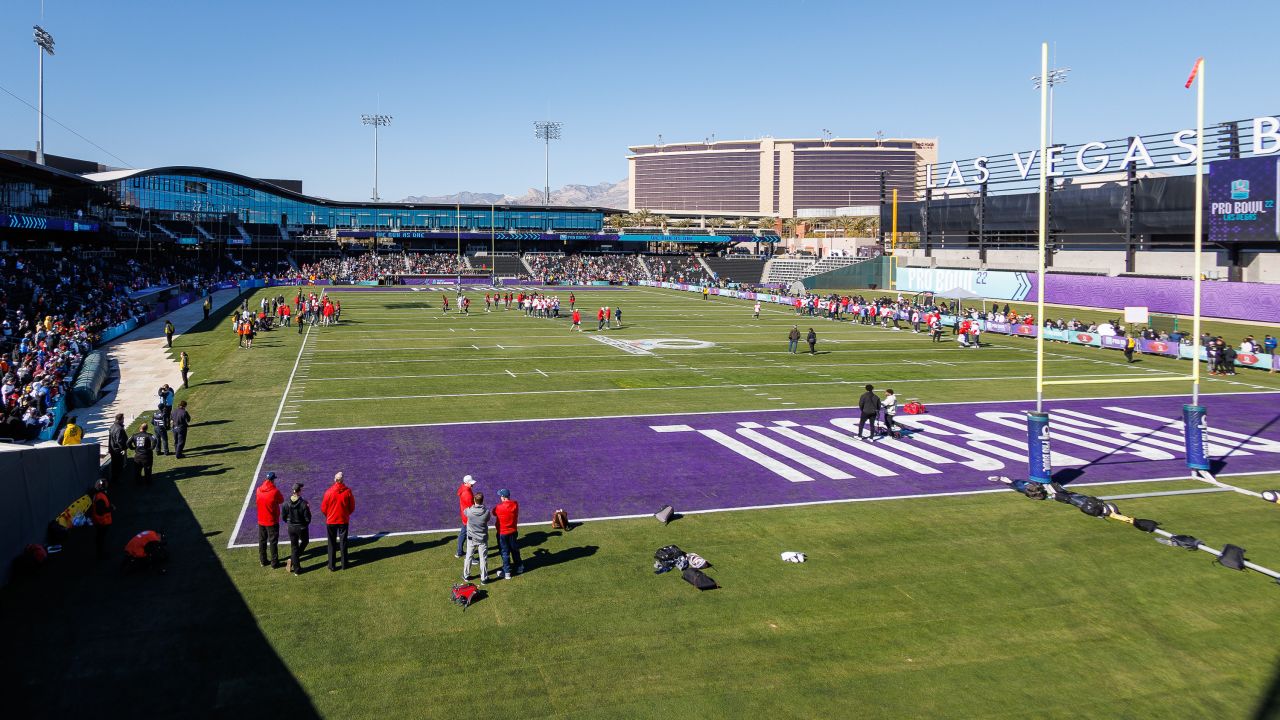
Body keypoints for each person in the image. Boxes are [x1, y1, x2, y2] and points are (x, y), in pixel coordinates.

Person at [321, 472, 355, 571]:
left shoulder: (328, 492)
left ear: (335, 480)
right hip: (343, 521)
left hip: (331, 521)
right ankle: (344, 564)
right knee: (343, 542)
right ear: (342, 480)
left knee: (331, 543)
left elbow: (323, 508)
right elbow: (352, 506)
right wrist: (346, 514)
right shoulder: (348, 491)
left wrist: (329, 515)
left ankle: (332, 565)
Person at [492, 488, 523, 579]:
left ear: (503, 497)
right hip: (513, 532)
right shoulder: (515, 504)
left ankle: (507, 572)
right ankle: (519, 567)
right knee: (514, 550)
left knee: (505, 552)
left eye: (500, 496)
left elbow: (493, 512)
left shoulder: (499, 507)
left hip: (502, 533)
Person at [281, 482, 312, 575]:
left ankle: (297, 570)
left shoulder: (286, 503)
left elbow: (283, 517)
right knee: (305, 541)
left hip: (291, 528)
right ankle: (292, 559)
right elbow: (308, 519)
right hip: (301, 528)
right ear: (299, 491)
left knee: (294, 547)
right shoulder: (304, 504)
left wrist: (289, 523)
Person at [256, 471, 285, 568]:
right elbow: (281, 500)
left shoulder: (258, 490)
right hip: (272, 521)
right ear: (272, 480)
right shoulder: (274, 491)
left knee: (262, 540)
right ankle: (274, 563)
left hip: (261, 520)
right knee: (273, 542)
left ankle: (263, 561)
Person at [462, 492, 492, 584]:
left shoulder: (469, 511)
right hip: (482, 539)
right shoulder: (486, 512)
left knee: (469, 556)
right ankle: (484, 578)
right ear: (482, 501)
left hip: (471, 538)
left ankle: (466, 575)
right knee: (483, 558)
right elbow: (487, 519)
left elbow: (465, 512)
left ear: (474, 500)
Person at [90, 479, 113, 559]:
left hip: (99, 521)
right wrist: (110, 509)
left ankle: (100, 553)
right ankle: (100, 554)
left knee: (100, 538)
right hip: (102, 522)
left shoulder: (98, 495)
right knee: (101, 539)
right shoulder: (101, 497)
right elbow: (100, 511)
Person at [129, 419, 157, 485]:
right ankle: (148, 482)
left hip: (137, 456)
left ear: (140, 428)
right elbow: (154, 440)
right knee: (147, 470)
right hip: (147, 456)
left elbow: (128, 442)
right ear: (146, 428)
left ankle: (137, 483)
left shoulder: (134, 435)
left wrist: (132, 448)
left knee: (137, 471)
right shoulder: (149, 435)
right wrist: (151, 448)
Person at [455, 474, 477, 558]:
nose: (473, 484)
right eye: (471, 483)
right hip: (469, 517)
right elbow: (471, 507)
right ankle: (471, 557)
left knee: (463, 533)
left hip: (465, 515)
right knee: (471, 537)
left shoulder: (464, 488)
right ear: (466, 483)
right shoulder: (467, 493)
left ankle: (459, 552)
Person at [108, 413, 128, 482]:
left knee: (114, 464)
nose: (124, 419)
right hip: (117, 450)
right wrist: (123, 449)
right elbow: (119, 441)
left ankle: (115, 477)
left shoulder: (112, 426)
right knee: (119, 465)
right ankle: (117, 479)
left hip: (113, 449)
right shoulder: (119, 429)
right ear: (121, 419)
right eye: (123, 418)